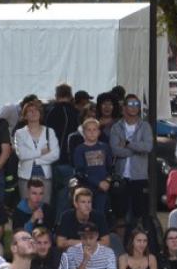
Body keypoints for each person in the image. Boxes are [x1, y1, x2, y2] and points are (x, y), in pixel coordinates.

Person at [109, 93, 153, 223]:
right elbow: (115, 150)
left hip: (139, 177)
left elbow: (147, 147)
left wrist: (128, 144)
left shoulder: (145, 126)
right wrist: (136, 149)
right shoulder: (116, 127)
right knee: (120, 214)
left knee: (139, 214)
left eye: (136, 104)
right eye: (130, 104)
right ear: (124, 107)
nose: (134, 107)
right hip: (120, 176)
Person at [13, 98, 59, 204]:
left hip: (45, 175)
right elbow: (22, 155)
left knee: (44, 207)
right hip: (26, 176)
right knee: (27, 207)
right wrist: (41, 152)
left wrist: (36, 160)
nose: (33, 112)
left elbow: (55, 154)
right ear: (25, 116)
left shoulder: (49, 131)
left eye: (36, 110)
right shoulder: (19, 133)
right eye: (30, 111)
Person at [45, 83, 80, 217]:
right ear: (70, 95)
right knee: (65, 195)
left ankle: (49, 222)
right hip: (68, 161)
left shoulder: (51, 112)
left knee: (51, 194)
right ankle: (60, 222)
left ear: (56, 95)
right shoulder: (75, 113)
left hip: (52, 159)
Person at [72, 117, 113, 216]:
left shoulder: (105, 147)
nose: (92, 133)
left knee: (100, 214)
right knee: (86, 213)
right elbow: (79, 171)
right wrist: (97, 183)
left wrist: (107, 181)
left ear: (99, 132)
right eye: (89, 130)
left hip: (103, 188)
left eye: (94, 130)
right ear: (84, 132)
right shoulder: (79, 149)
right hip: (86, 188)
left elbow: (110, 168)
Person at [56, 186, 110, 250]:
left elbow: (106, 243)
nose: (87, 206)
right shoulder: (67, 216)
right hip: (72, 252)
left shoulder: (99, 217)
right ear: (75, 204)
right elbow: (60, 243)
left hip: (93, 252)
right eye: (83, 202)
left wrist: (72, 242)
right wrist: (90, 243)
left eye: (89, 202)